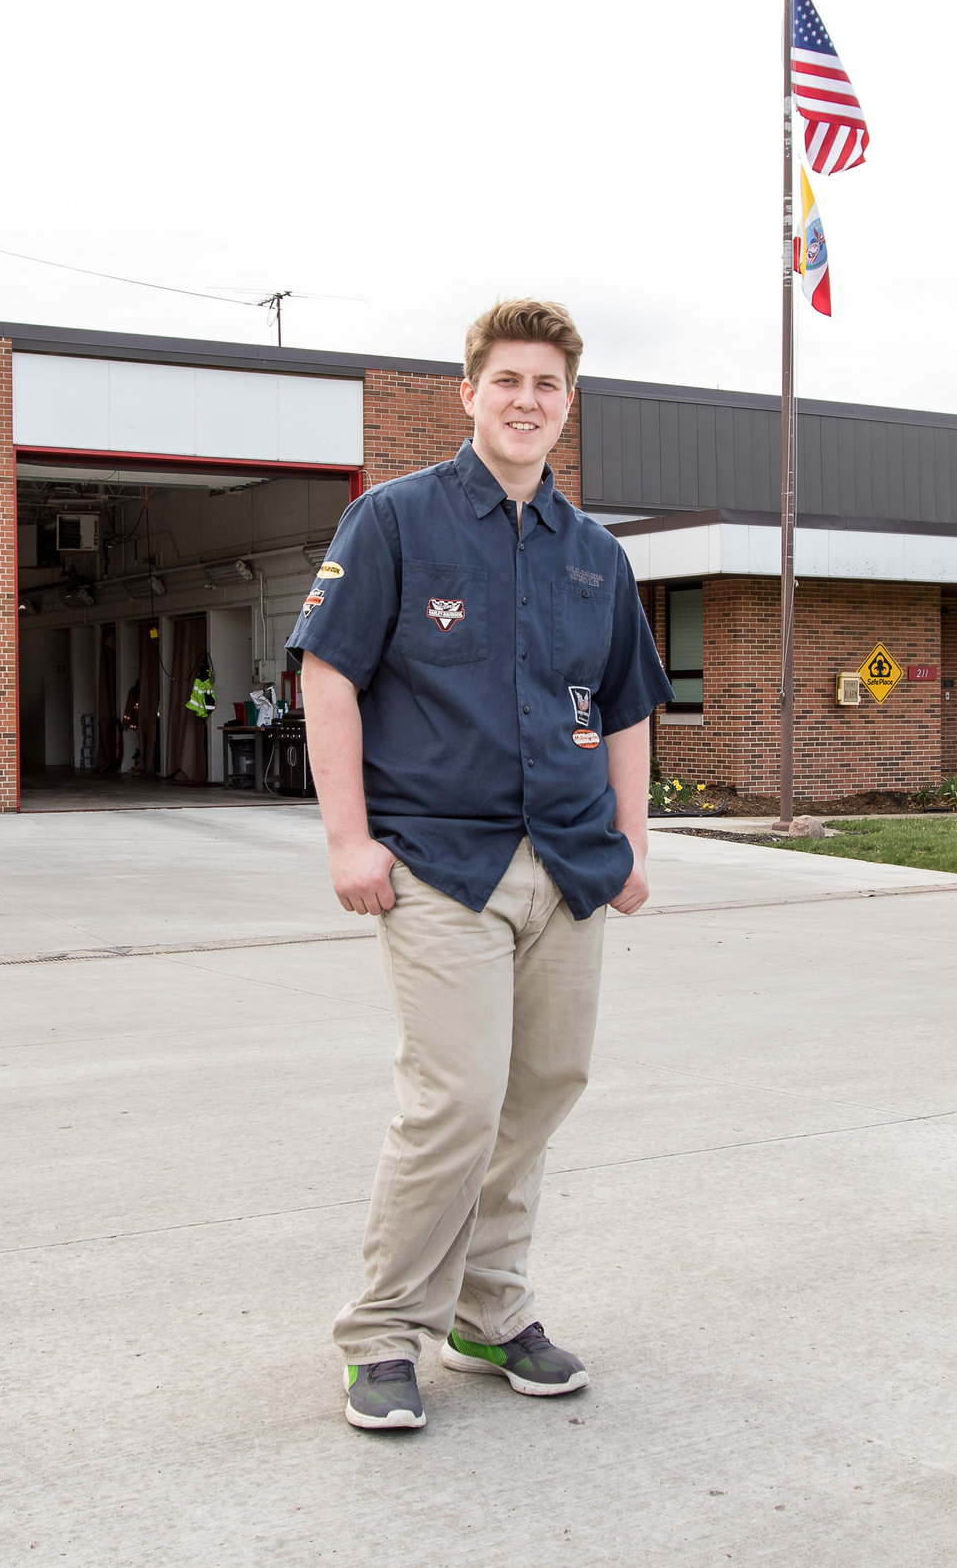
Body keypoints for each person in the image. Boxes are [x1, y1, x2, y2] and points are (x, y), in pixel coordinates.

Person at [286, 298, 672, 1432]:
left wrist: (632, 838)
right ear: (468, 392)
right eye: (506, 379)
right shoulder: (393, 521)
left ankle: (488, 1310)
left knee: (541, 1092)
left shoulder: (595, 553)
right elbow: (327, 677)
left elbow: (630, 705)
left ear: (567, 404)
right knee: (454, 1102)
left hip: (567, 862)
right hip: (438, 864)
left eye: (547, 384)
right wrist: (347, 838)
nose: (526, 400)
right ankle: (379, 1331)